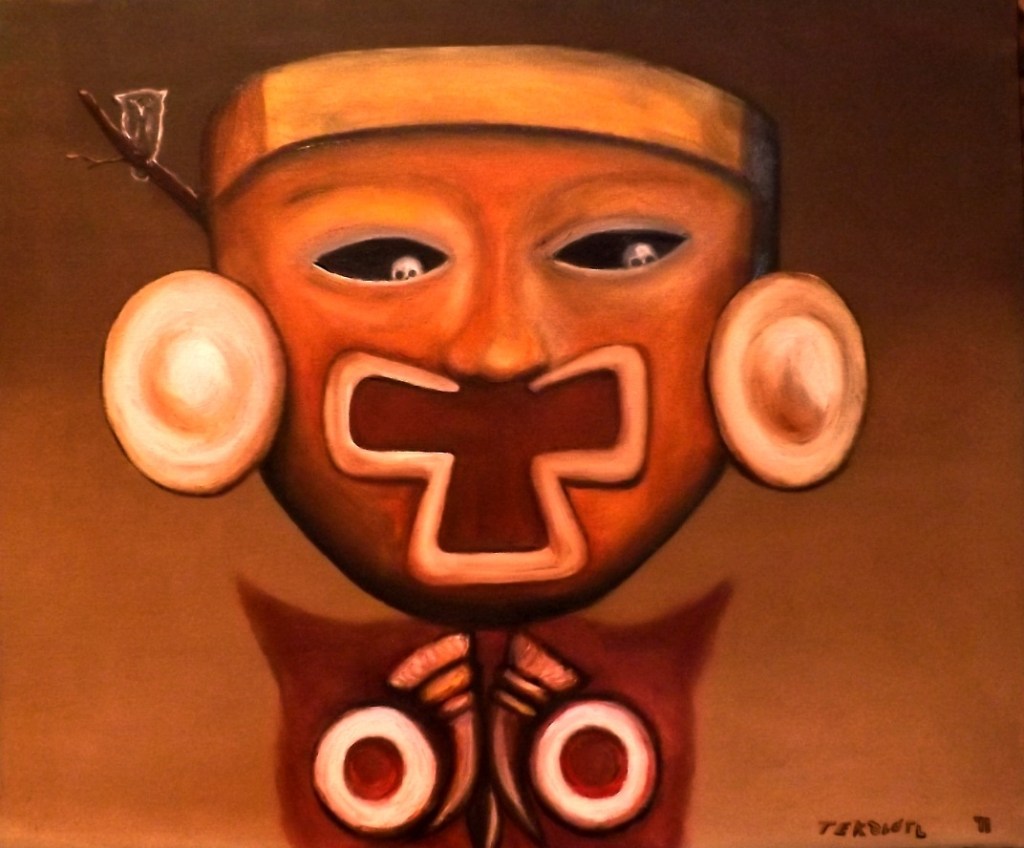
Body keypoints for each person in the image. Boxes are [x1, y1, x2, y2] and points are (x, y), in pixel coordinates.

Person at [94, 46, 866, 848]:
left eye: (618, 252)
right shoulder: (161, 729)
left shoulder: (811, 718)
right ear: (215, 345)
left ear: (763, 339)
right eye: (386, 262)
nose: (500, 346)